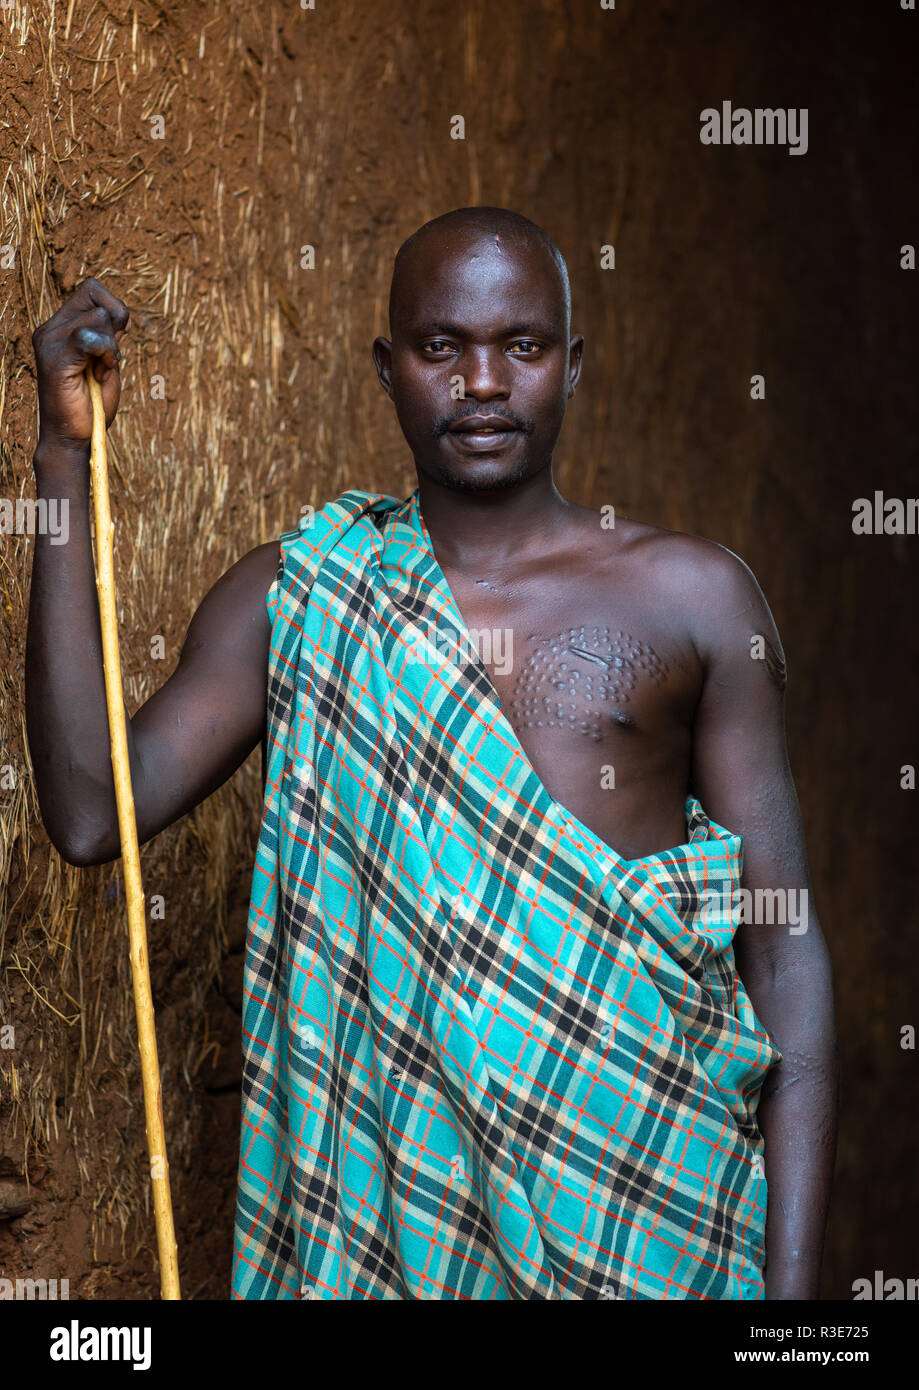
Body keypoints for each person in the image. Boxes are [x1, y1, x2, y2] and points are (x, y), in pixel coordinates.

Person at [26, 207, 836, 1300]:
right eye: (442, 346)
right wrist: (65, 456)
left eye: (524, 345)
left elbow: (781, 953)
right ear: (387, 367)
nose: (484, 381)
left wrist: (786, 1307)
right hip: (396, 1243)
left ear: (573, 362)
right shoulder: (303, 596)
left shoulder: (692, 599)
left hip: (657, 1219)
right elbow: (88, 807)